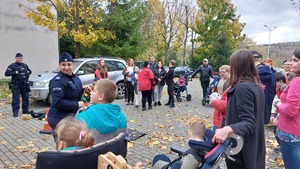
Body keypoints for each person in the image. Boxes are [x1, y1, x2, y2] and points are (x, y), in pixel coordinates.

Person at [212, 49, 265, 169]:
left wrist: (226, 129)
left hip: (243, 150)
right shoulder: (256, 87)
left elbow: (250, 123)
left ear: (236, 66)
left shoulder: (243, 88)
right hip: (253, 147)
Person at [76, 79, 127, 143]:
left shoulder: (81, 118)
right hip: (113, 152)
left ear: (101, 96)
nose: (91, 93)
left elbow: (76, 143)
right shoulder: (122, 118)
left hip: (92, 152)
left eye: (94, 91)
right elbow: (124, 139)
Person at [273, 49, 300, 169]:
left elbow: (290, 111)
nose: (291, 63)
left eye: (295, 60)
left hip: (291, 134)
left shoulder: (297, 82)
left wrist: (278, 104)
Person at [48, 52, 85, 130]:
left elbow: (76, 94)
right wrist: (77, 104)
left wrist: (85, 90)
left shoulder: (75, 78)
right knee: (65, 142)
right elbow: (57, 102)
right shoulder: (57, 81)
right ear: (59, 65)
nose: (66, 67)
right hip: (59, 118)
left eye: (69, 64)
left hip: (71, 117)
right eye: (63, 65)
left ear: (73, 65)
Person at [252, 50, 276, 125]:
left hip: (256, 107)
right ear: (259, 59)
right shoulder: (271, 72)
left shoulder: (252, 73)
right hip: (267, 105)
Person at [5, 53, 32, 117]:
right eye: (19, 58)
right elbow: (6, 73)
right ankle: (15, 112)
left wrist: (27, 72)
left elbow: (30, 71)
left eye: (21, 58)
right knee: (16, 99)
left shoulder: (25, 65)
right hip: (16, 84)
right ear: (16, 58)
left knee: (26, 98)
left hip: (24, 84)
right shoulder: (12, 66)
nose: (20, 59)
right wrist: (15, 72)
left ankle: (25, 110)